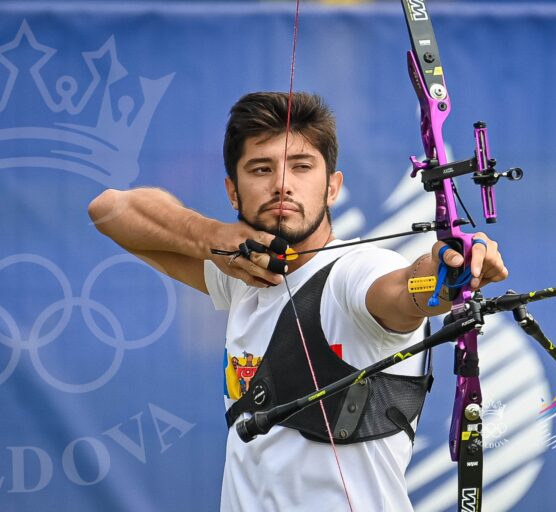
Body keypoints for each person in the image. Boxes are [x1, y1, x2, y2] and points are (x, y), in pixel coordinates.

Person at [88, 92, 508, 511]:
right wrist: (210, 236)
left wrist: (445, 277)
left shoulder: (354, 271)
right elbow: (109, 210)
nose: (281, 184)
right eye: (261, 168)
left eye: (302, 166)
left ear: (332, 188)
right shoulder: (242, 276)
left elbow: (402, 290)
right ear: (233, 193)